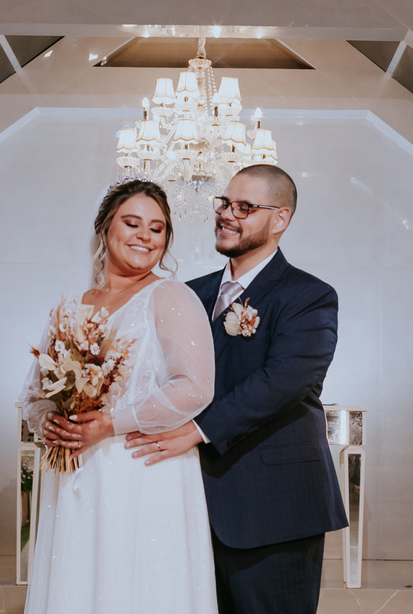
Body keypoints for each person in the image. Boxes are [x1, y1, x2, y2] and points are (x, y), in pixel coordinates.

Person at [125, 165, 348, 614]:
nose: (227, 214)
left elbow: (283, 381)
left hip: (273, 506)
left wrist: (197, 430)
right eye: (225, 203)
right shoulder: (190, 294)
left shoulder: (308, 295)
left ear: (280, 219)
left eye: (245, 207)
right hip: (188, 505)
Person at [19, 179, 217, 614]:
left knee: (137, 582)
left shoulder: (170, 296)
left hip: (141, 467)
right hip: (77, 472)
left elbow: (195, 387)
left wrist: (111, 423)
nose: (145, 235)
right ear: (105, 228)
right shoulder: (71, 306)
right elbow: (35, 392)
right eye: (132, 223)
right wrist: (49, 420)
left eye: (157, 228)